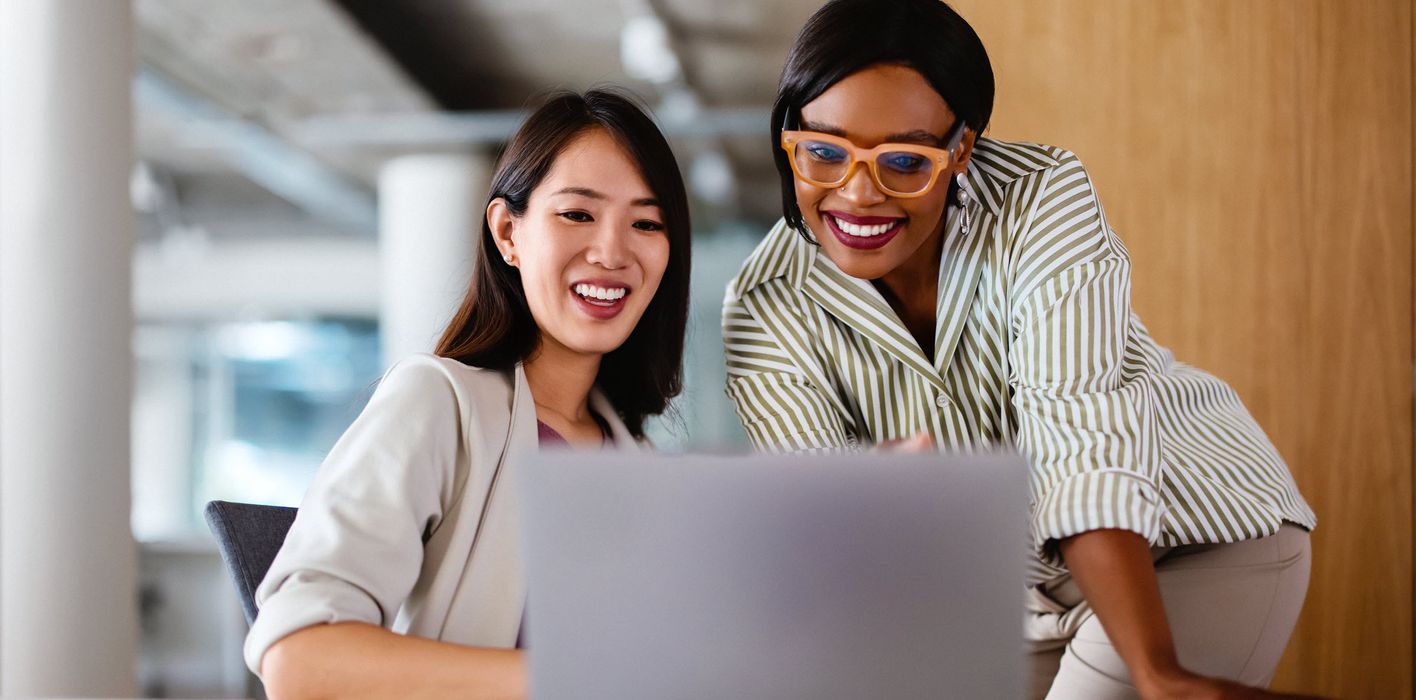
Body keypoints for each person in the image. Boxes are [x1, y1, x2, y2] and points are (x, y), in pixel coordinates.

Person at [721, 2, 1317, 698]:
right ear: (790, 138)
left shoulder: (1040, 200)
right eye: (823, 152)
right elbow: (832, 535)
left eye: (905, 160)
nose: (857, 194)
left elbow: (1080, 440)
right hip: (1019, 603)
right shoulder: (765, 307)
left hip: (1190, 544)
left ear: (962, 150)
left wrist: (1158, 674)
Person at [245, 89, 691, 699]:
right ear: (509, 232)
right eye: (578, 214)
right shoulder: (438, 402)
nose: (613, 252)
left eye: (646, 223)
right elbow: (300, 661)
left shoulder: (636, 458)